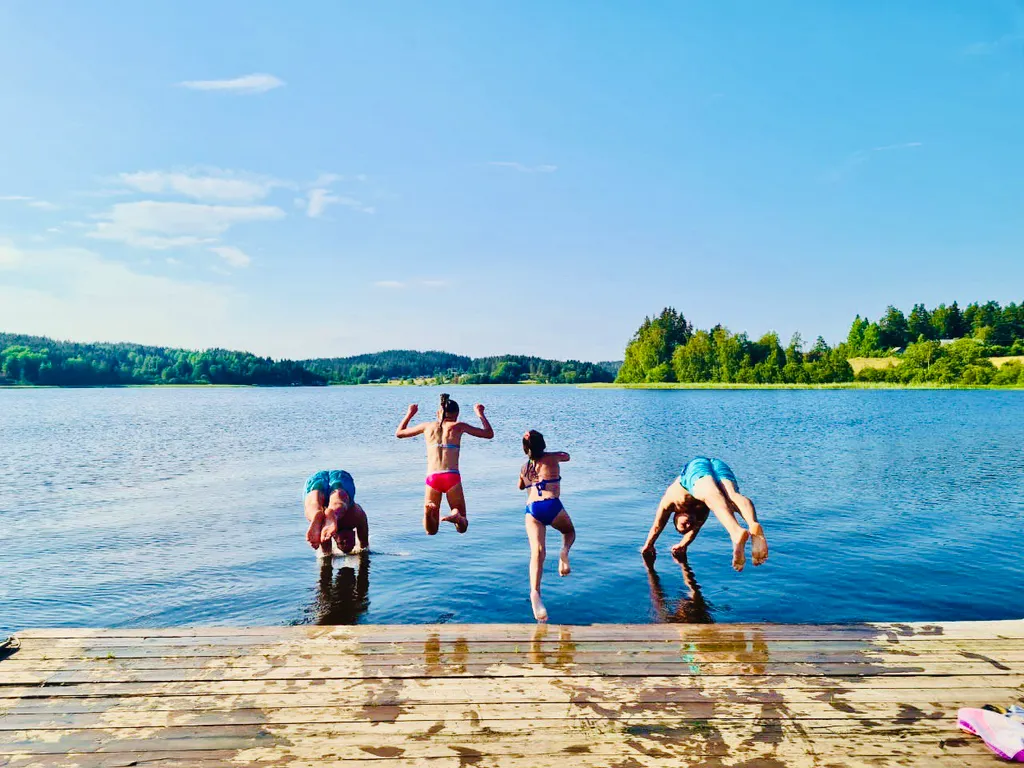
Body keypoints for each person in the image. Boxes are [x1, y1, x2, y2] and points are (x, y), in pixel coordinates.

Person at [640, 457, 768, 572]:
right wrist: (682, 545)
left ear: (675, 516)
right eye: (690, 526)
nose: (689, 524)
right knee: (732, 496)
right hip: (717, 464)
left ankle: (735, 532)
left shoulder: (670, 504)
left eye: (684, 525)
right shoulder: (700, 515)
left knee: (711, 495)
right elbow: (693, 532)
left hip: (696, 467)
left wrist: (649, 545)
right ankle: (752, 524)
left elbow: (657, 527)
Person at [395, 393, 494, 535]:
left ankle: (429, 512)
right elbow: (488, 433)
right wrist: (480, 414)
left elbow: (399, 433)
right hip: (451, 476)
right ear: (457, 415)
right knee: (462, 527)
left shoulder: (427, 426)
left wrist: (410, 414)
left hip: (432, 477)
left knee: (431, 531)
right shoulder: (459, 426)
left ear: (438, 413)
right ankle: (457, 515)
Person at [518, 430, 575, 622]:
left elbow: (521, 486)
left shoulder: (525, 467)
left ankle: (535, 592)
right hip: (551, 504)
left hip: (532, 509)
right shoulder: (552, 458)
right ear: (543, 444)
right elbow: (566, 456)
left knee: (537, 552)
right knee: (569, 531)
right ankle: (564, 551)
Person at [302, 470, 369, 556]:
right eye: (349, 543)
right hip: (339, 479)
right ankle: (333, 513)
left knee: (313, 502)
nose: (345, 541)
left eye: (341, 543)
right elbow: (364, 546)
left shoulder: (327, 531)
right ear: (354, 534)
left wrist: (327, 556)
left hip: (317, 479)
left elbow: (326, 553)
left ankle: (316, 513)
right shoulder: (355, 519)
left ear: (334, 537)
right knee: (338, 501)